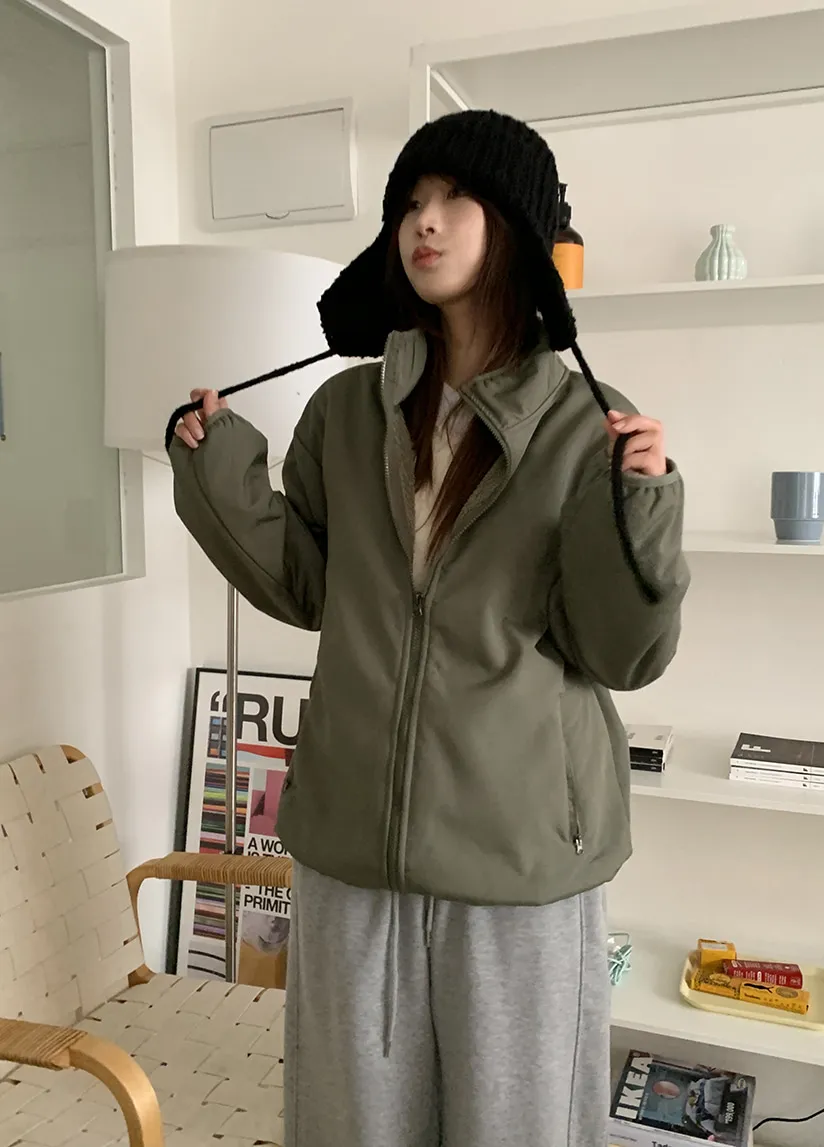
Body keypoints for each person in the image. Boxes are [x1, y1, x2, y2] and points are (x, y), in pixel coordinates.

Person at [169, 110, 690, 1147]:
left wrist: (641, 502)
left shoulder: (586, 422)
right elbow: (308, 586)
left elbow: (620, 652)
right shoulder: (347, 410)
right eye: (410, 202)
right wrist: (215, 466)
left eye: (455, 199)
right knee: (348, 1125)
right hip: (351, 849)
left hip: (517, 858)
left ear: (515, 226)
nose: (426, 221)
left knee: (515, 1128)